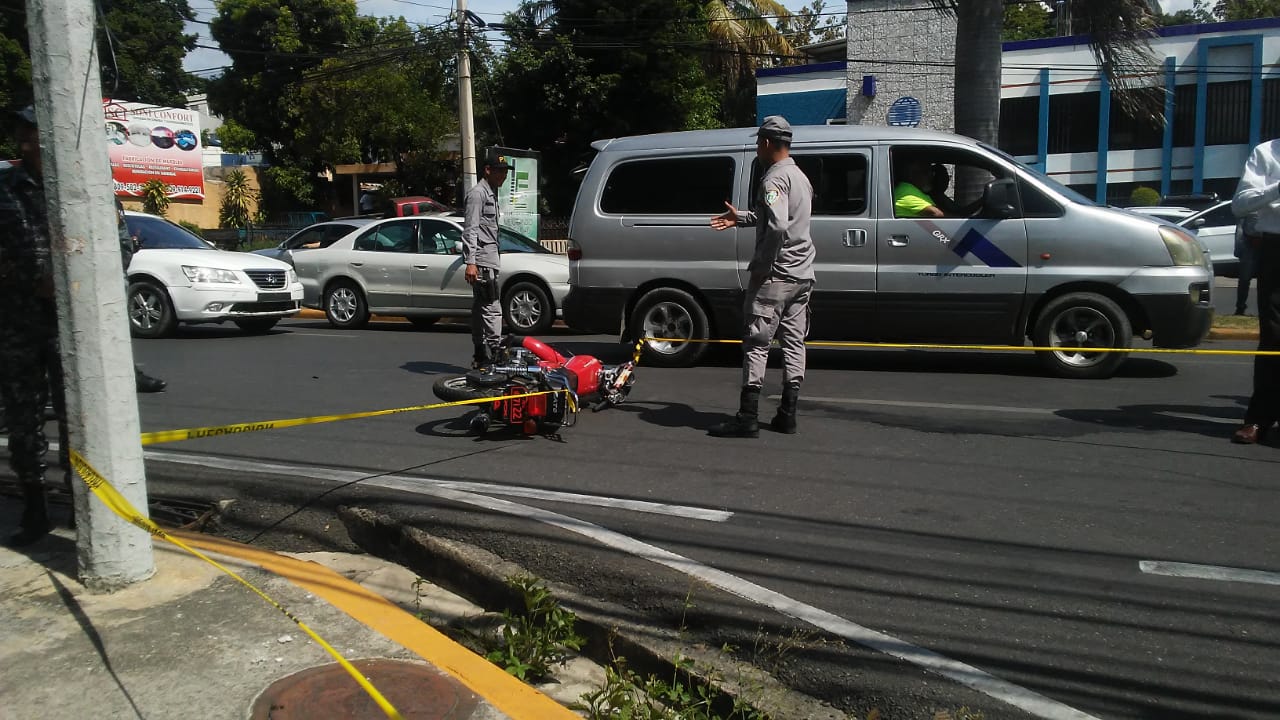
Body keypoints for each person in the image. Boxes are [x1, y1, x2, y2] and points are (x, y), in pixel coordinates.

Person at [707, 115, 815, 438]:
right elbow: (777, 217)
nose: (757, 147)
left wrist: (764, 265)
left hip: (775, 277)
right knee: (795, 343)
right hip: (802, 275)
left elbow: (778, 226)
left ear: (768, 143)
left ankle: (748, 416)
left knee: (756, 343)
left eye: (758, 142)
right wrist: (739, 217)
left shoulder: (772, 180)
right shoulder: (800, 178)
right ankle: (787, 415)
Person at [0, 107, 71, 546]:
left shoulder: (81, 190)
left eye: (36, 136)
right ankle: (34, 504)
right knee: (24, 421)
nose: (29, 144)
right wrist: (30, 280)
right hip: (17, 324)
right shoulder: (4, 192)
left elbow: (119, 247)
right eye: (23, 137)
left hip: (72, 326)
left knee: (78, 421)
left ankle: (83, 502)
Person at [1229, 138, 1280, 445]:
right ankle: (1259, 418)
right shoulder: (1266, 152)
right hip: (1277, 249)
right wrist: (1276, 190)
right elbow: (1239, 205)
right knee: (1273, 334)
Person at [462, 149, 513, 369]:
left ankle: (480, 352)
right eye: (500, 171)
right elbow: (470, 229)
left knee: (480, 307)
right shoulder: (478, 194)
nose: (503, 176)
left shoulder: (491, 192)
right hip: (482, 261)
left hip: (488, 258)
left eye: (505, 172)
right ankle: (496, 351)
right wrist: (470, 261)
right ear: (488, 170)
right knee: (491, 305)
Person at [116, 199, 167, 393]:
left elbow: (122, 239)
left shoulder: (109, 200)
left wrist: (117, 267)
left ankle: (130, 375)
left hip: (110, 276)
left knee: (116, 332)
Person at [1235, 215, 1257, 316]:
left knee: (1268, 280)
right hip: (1248, 245)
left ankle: (1267, 308)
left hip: (1268, 243)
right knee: (1244, 279)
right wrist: (1238, 248)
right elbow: (1240, 228)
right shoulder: (1250, 206)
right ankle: (1240, 307)